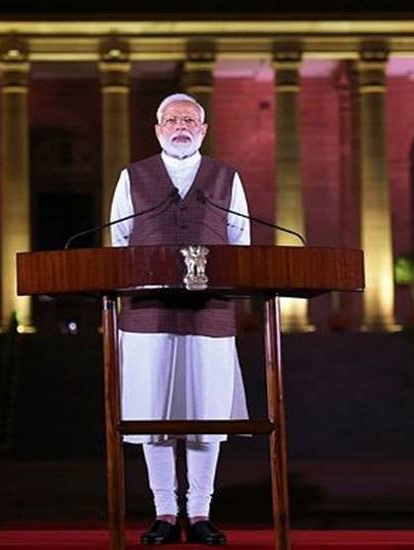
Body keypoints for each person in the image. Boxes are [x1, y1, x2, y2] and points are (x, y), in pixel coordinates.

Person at [109, 93, 251, 545]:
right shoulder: (133, 177)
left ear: (204, 130)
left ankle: (202, 511)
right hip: (148, 314)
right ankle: (166, 512)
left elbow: (241, 241)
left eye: (189, 119)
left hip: (210, 313)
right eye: (172, 119)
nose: (180, 125)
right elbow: (117, 241)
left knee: (207, 411)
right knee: (155, 412)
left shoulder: (226, 178)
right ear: (158, 129)